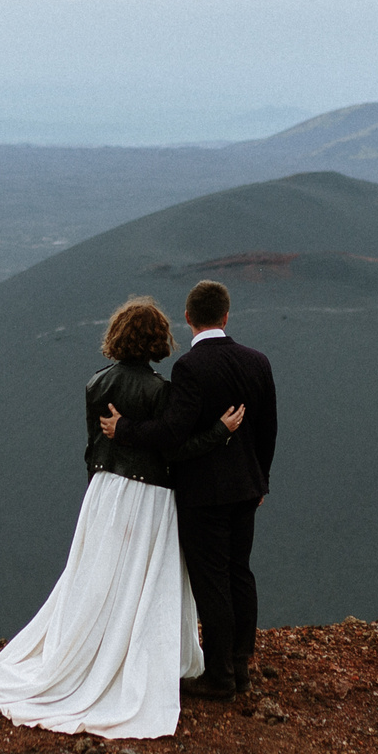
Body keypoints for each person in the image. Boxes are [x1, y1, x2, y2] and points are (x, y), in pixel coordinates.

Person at [0, 297, 245, 740]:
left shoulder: (95, 384)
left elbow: (93, 447)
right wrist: (220, 432)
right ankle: (131, 656)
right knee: (141, 581)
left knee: (96, 578)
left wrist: (100, 487)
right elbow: (173, 451)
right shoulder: (163, 392)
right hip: (149, 497)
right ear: (159, 339)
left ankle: (92, 651)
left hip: (103, 491)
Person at [97, 278, 278, 701]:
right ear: (226, 315)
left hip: (203, 493)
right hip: (248, 488)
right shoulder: (258, 362)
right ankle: (240, 666)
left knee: (211, 581)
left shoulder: (190, 369)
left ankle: (218, 676)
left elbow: (172, 433)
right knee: (240, 573)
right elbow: (268, 430)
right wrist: (261, 479)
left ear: (188, 318)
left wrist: (124, 428)